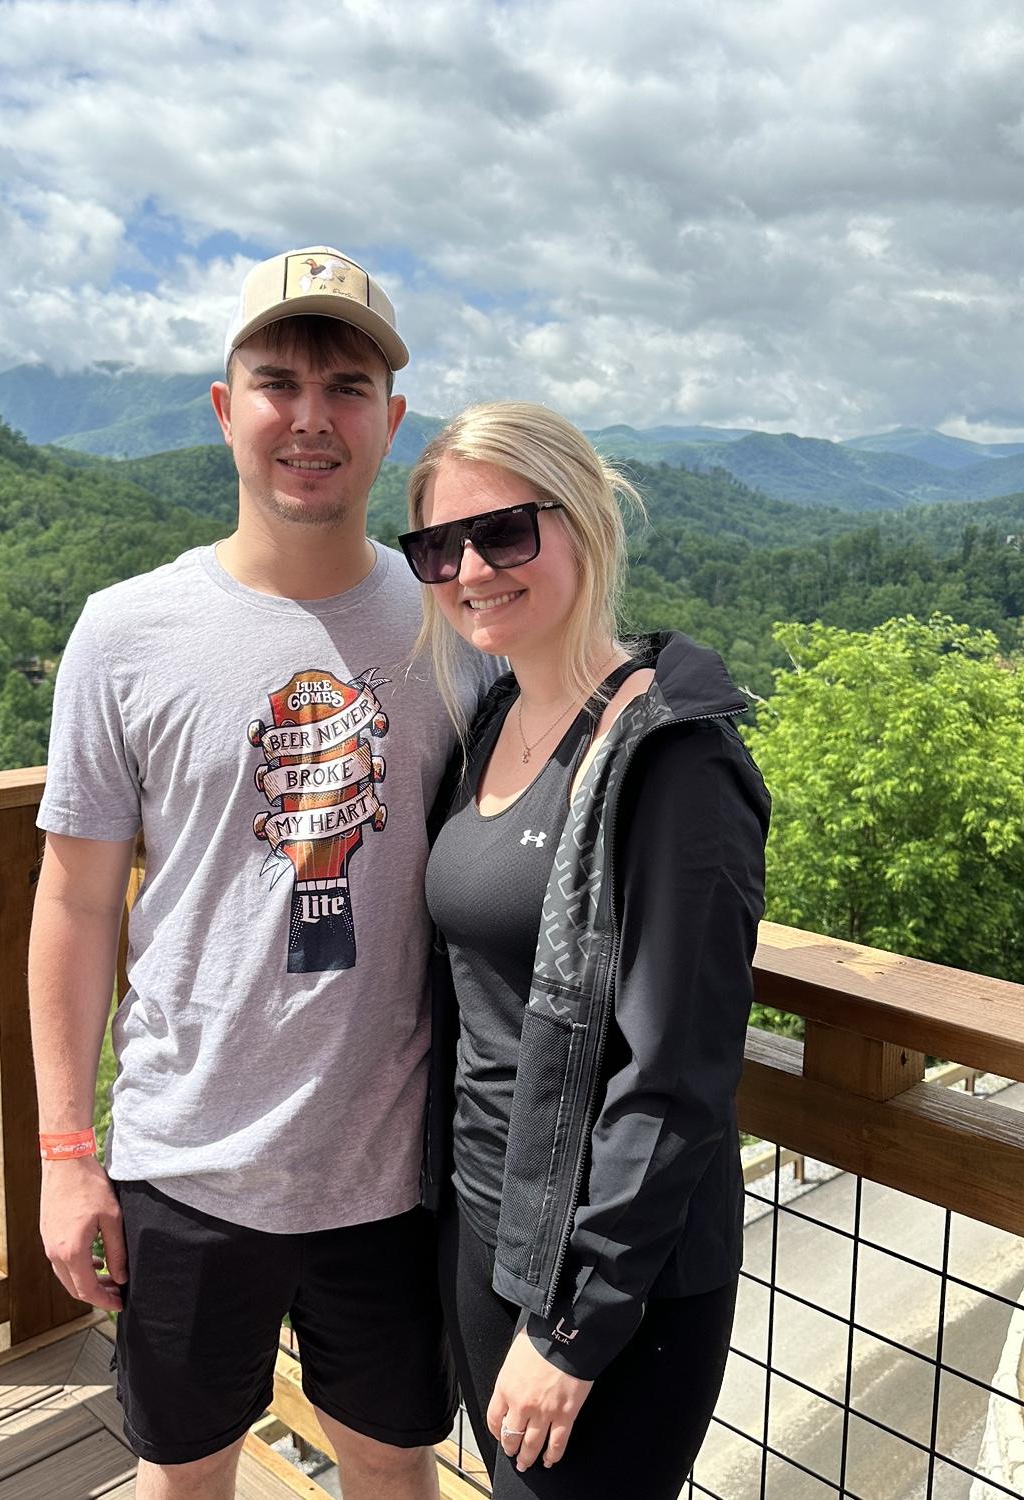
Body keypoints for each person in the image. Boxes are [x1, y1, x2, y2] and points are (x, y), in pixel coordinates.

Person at [30, 246, 492, 1500]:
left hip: (393, 1166)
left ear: (391, 420)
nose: (310, 418)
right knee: (185, 1472)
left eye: (347, 388)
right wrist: (66, 1150)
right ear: (224, 408)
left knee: (392, 1463)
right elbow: (74, 900)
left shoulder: (459, 624)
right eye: (278, 383)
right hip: (185, 1159)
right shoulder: (125, 632)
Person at [401, 402, 770, 1498]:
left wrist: (573, 1328)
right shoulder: (493, 719)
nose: (471, 569)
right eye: (439, 548)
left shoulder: (674, 759)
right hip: (484, 1221)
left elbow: (678, 1071)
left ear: (588, 522)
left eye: (504, 531)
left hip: (611, 1278)